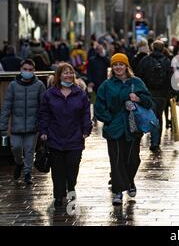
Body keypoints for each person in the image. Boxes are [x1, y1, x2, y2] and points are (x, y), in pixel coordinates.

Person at [94, 53, 154, 205]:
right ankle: (118, 191)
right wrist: (110, 120)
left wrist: (138, 99)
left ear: (126, 66)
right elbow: (99, 108)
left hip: (133, 127)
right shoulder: (106, 85)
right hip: (114, 129)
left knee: (133, 159)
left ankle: (129, 181)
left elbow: (149, 102)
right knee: (117, 159)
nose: (118, 67)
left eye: (121, 64)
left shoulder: (136, 82)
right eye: (115, 64)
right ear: (112, 67)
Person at [39, 63, 92, 207]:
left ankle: (71, 187)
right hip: (55, 136)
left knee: (72, 166)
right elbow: (44, 114)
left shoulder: (80, 93)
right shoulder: (49, 94)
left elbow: (86, 113)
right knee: (57, 169)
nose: (68, 75)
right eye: (65, 73)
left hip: (75, 137)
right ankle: (58, 195)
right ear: (59, 75)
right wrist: (43, 131)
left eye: (71, 73)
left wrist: (86, 129)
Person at [0, 59, 46, 184]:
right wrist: (3, 126)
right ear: (21, 70)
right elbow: (6, 106)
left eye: (30, 70)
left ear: (34, 71)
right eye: (25, 69)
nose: (27, 72)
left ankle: (27, 173)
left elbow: (44, 107)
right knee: (15, 147)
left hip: (33, 126)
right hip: (16, 126)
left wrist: (43, 125)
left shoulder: (39, 85)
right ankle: (19, 163)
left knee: (30, 149)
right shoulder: (13, 86)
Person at [136, 40, 173, 152]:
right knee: (158, 117)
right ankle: (155, 143)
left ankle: (147, 137)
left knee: (148, 116)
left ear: (152, 48)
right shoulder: (167, 61)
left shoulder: (145, 60)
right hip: (162, 95)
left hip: (148, 94)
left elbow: (139, 76)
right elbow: (171, 79)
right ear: (163, 49)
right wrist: (171, 93)